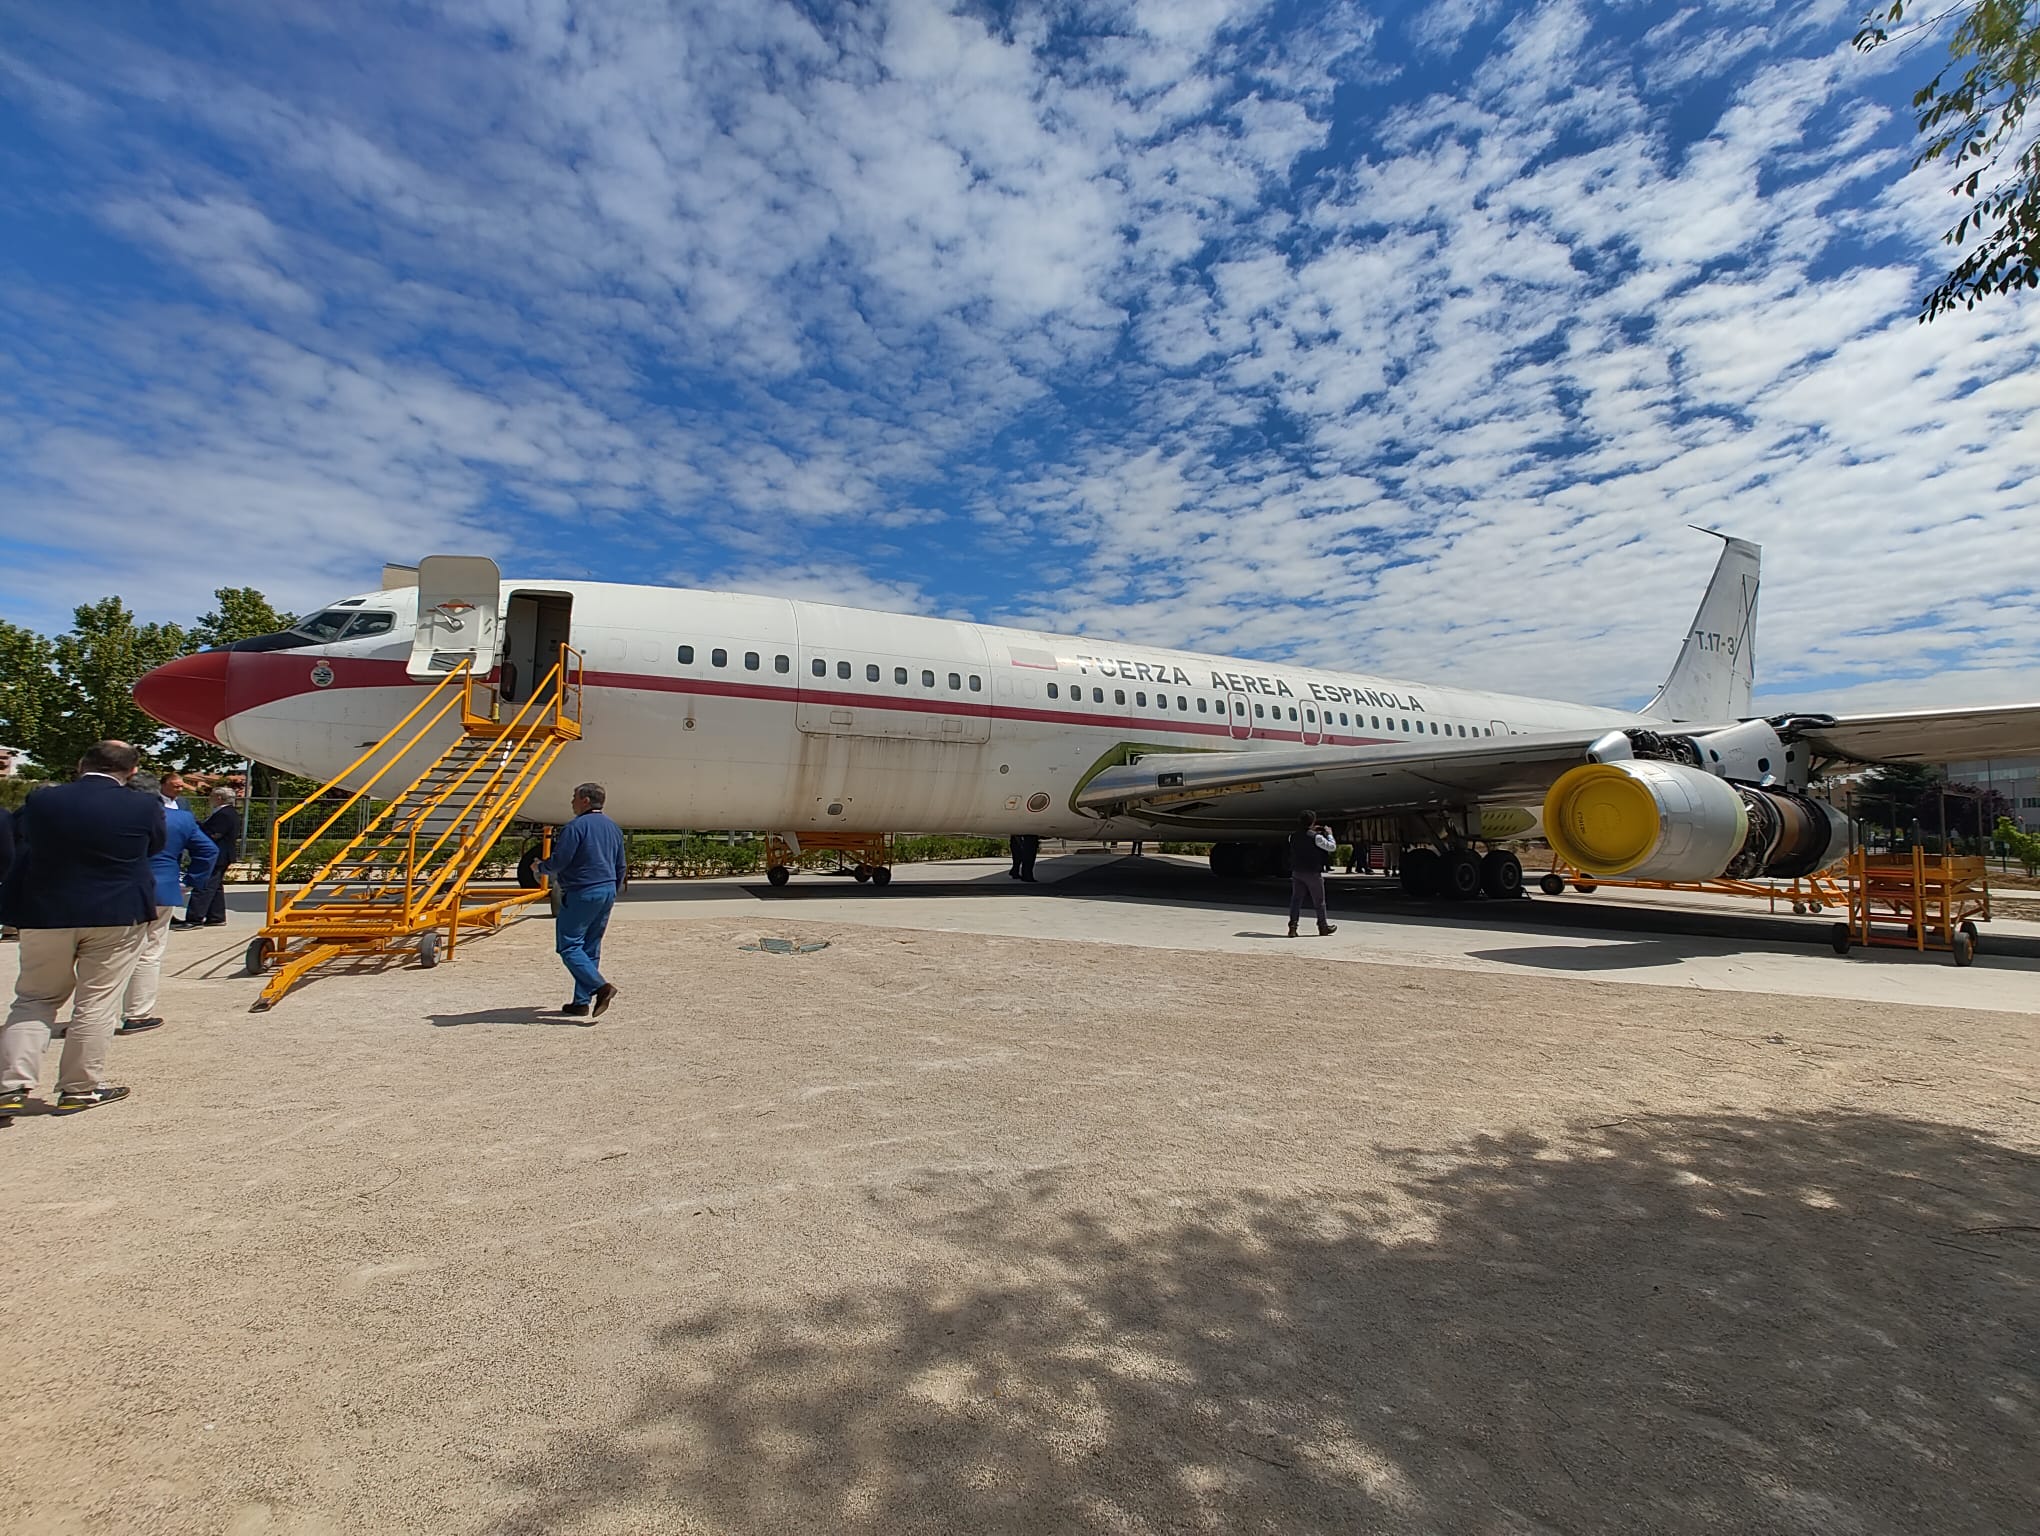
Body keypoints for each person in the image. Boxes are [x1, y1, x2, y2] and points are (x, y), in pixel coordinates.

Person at [0, 740, 163, 1118]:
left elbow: (23, 839)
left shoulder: (43, 801)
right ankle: (79, 1088)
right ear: (133, 771)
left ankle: (11, 1086)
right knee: (97, 1001)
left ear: (81, 763)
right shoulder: (143, 805)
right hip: (117, 912)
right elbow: (155, 845)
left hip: (48, 910)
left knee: (34, 998)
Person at [119, 773, 216, 1035]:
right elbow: (208, 851)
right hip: (160, 889)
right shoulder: (180, 819)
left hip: (109, 891)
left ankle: (88, 1017)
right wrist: (190, 880)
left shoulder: (103, 817)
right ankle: (137, 1014)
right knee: (149, 952)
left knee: (102, 954)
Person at [535, 782, 626, 1018]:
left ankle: (601, 987)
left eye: (574, 797)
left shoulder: (575, 827)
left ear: (585, 800)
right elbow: (620, 864)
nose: (571, 801)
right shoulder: (613, 827)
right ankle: (581, 1001)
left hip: (582, 890)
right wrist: (612, 890)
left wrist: (540, 866)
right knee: (591, 946)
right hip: (606, 890)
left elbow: (560, 860)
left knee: (569, 945)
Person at [173, 787, 240, 929]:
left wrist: (197, 830)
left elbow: (214, 834)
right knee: (215, 887)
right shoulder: (227, 812)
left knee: (204, 886)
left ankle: (194, 918)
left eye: (212, 796)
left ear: (219, 798)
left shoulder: (224, 814)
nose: (210, 799)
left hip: (217, 855)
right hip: (222, 855)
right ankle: (216, 916)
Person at [1286, 809, 1338, 938]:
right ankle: (1323, 926)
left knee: (1296, 900)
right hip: (1313, 872)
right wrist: (1329, 834)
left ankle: (1293, 927)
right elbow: (1332, 847)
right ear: (1313, 822)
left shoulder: (1292, 836)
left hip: (1297, 871)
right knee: (1319, 901)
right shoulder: (1317, 837)